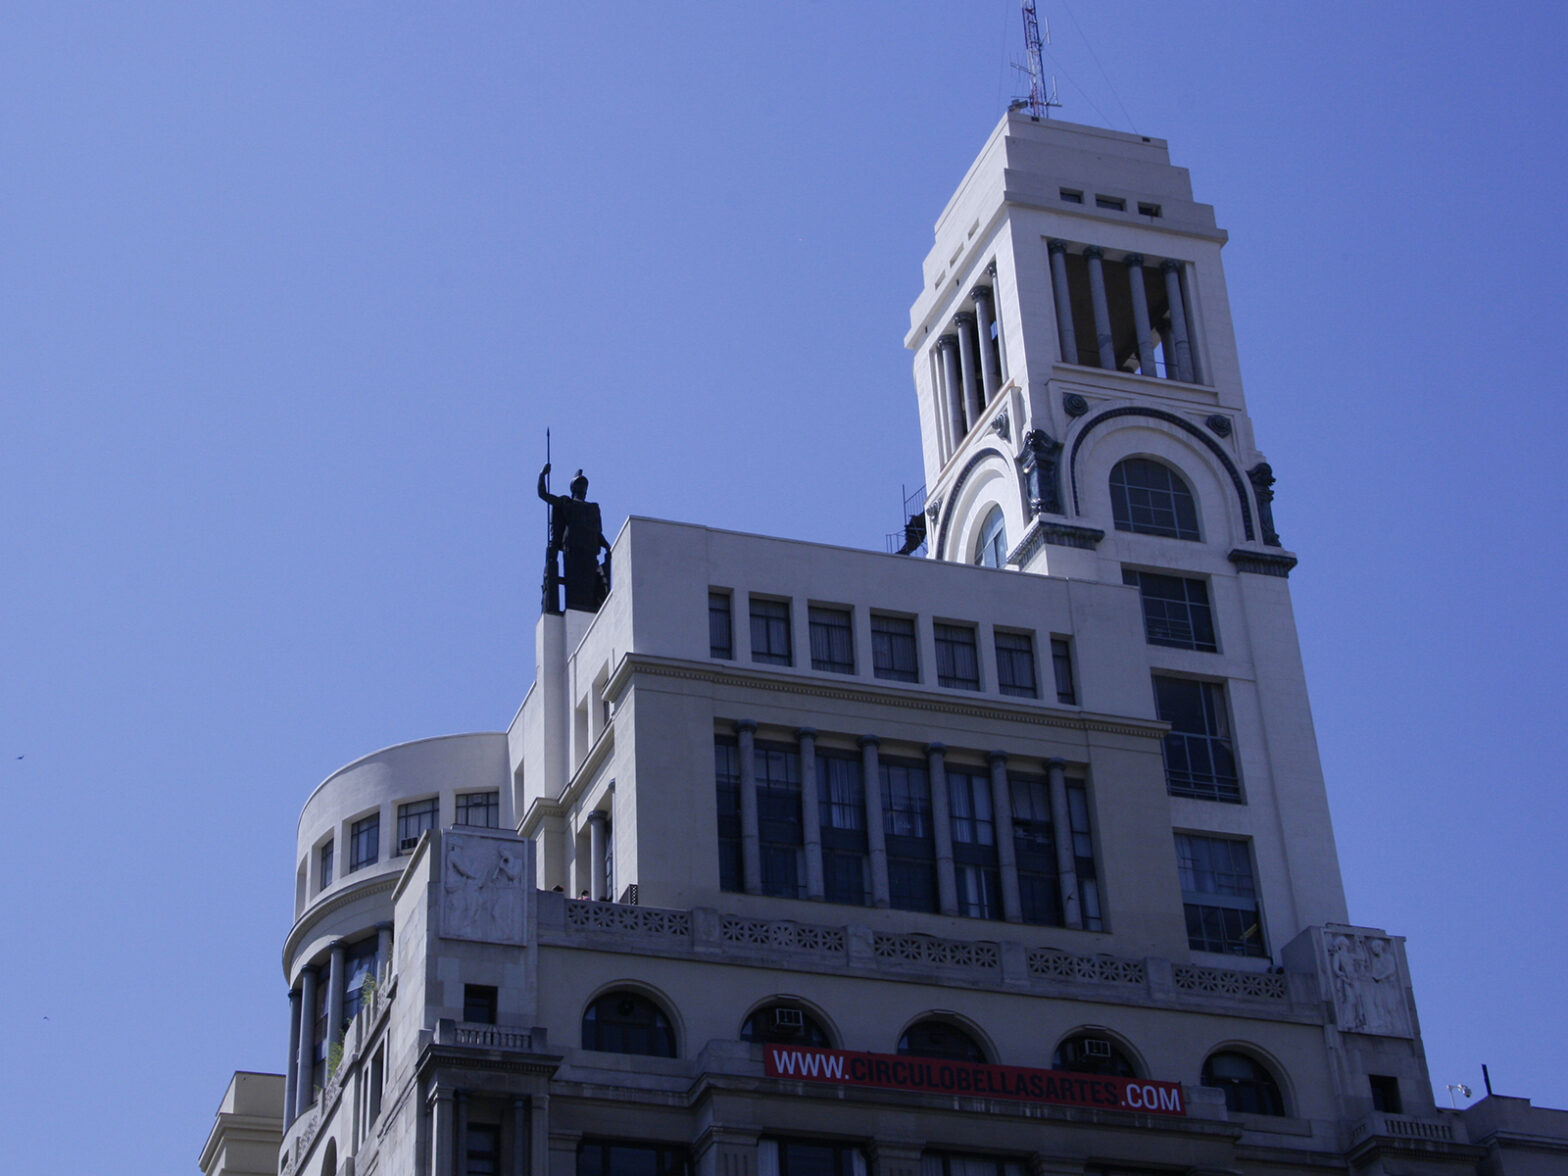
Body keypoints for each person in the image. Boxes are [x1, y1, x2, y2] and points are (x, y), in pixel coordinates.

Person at [538, 463, 610, 612]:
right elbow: (543, 494)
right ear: (573, 488)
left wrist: (609, 546)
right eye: (579, 483)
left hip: (589, 548)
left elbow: (597, 532)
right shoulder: (566, 502)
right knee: (575, 580)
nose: (582, 486)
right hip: (572, 546)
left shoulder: (593, 507)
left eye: (584, 484)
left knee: (589, 582)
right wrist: (542, 475)